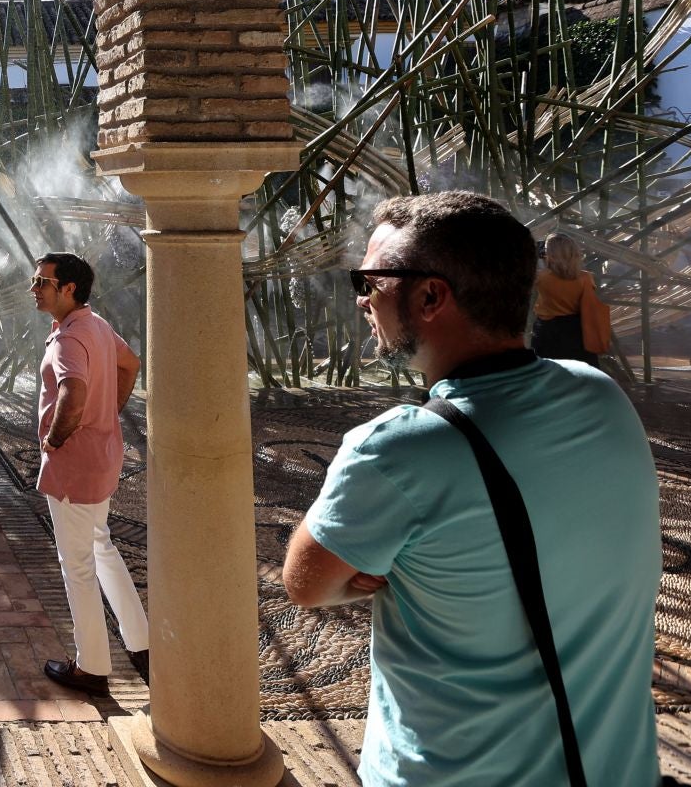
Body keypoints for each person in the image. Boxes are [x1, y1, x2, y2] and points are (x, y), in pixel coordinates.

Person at [283, 192, 661, 787]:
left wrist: (387, 566)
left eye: (371, 279)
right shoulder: (603, 398)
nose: (361, 298)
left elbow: (306, 583)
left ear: (432, 296)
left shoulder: (397, 449)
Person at [30, 251, 149, 695]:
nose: (34, 289)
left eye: (43, 282)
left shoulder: (67, 339)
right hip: (102, 457)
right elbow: (129, 363)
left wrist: (55, 439)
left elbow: (73, 393)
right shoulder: (96, 326)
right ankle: (142, 643)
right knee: (101, 546)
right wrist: (109, 412)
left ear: (69, 289)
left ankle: (92, 667)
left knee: (76, 566)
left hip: (75, 465)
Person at [533, 233, 608, 365]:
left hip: (547, 331)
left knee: (549, 372)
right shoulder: (585, 278)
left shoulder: (541, 277)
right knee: (581, 371)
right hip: (576, 330)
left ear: (550, 254)